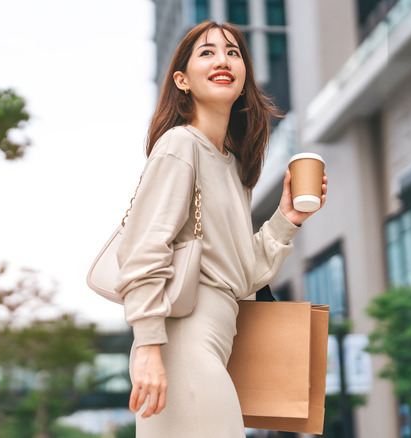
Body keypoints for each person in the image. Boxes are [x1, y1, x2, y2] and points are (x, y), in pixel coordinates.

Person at [114, 21, 327, 437]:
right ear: (182, 79)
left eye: (233, 52)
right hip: (182, 344)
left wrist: (287, 218)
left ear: (245, 72)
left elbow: (242, 276)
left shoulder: (232, 165)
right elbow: (142, 251)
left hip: (217, 337)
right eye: (207, 52)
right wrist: (148, 349)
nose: (223, 59)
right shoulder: (180, 145)